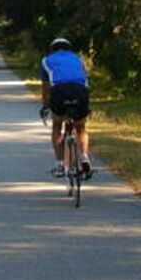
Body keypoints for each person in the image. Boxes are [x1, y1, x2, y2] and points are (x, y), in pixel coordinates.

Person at [39, 37, 91, 178]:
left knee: (57, 125)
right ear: (69, 48)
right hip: (80, 91)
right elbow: (85, 80)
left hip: (60, 92)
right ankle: (84, 157)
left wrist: (45, 105)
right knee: (80, 127)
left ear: (52, 49)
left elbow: (46, 88)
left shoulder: (46, 60)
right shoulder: (78, 59)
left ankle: (60, 164)